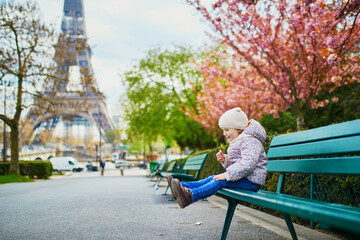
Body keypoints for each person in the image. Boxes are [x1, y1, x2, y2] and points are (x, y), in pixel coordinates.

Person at [168, 107, 267, 208]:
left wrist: (227, 175)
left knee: (219, 181)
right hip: (243, 178)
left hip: (251, 182)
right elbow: (238, 163)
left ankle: (191, 196)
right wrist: (226, 160)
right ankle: (182, 187)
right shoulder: (241, 141)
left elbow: (248, 164)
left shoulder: (251, 142)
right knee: (212, 178)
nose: (224, 134)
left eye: (227, 130)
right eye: (223, 130)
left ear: (239, 128)